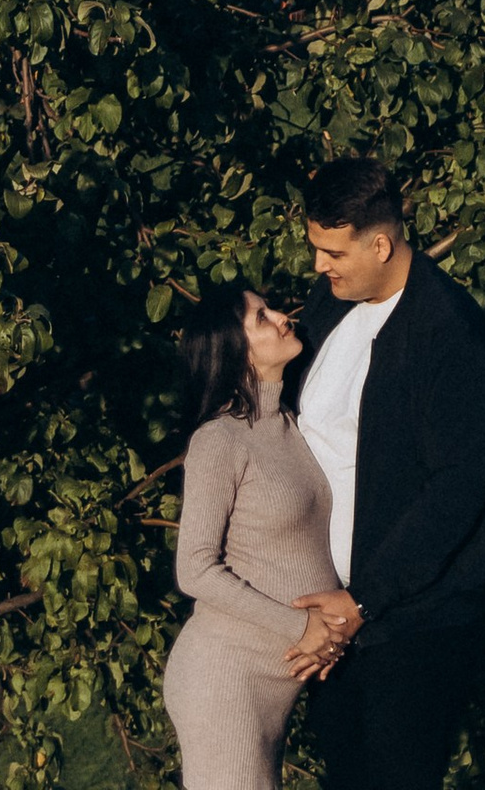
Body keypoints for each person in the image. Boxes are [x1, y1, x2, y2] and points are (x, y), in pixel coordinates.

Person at [286, 156, 485, 790]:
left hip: (413, 618)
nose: (320, 266)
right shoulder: (331, 306)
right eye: (316, 249)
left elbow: (459, 486)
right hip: (336, 608)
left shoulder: (448, 334)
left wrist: (364, 599)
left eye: (333, 252)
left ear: (382, 243)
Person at [162, 283, 341, 790]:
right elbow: (194, 568)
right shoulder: (220, 439)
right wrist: (299, 627)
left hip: (272, 683)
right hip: (225, 679)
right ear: (235, 353)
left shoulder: (290, 425)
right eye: (262, 318)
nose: (284, 317)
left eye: (272, 309)